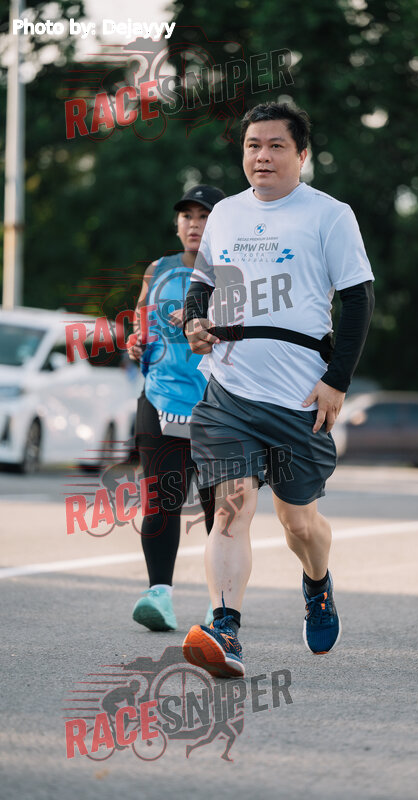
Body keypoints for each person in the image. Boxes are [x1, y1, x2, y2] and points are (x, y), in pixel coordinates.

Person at [181, 102, 374, 678]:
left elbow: (359, 301)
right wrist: (193, 322)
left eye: (275, 146)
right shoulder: (226, 214)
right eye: (252, 146)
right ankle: (225, 629)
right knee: (230, 511)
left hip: (299, 399)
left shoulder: (329, 215)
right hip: (230, 390)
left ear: (302, 155)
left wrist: (336, 381)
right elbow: (202, 284)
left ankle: (317, 583)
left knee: (299, 525)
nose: (261, 156)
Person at [128, 184, 225, 631]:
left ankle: (221, 602)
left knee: (219, 506)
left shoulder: (234, 273)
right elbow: (141, 324)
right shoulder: (159, 270)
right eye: (187, 216)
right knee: (161, 498)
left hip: (218, 404)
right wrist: (136, 342)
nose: (194, 224)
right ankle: (158, 595)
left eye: (204, 216)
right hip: (160, 398)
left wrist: (202, 320)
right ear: (177, 223)